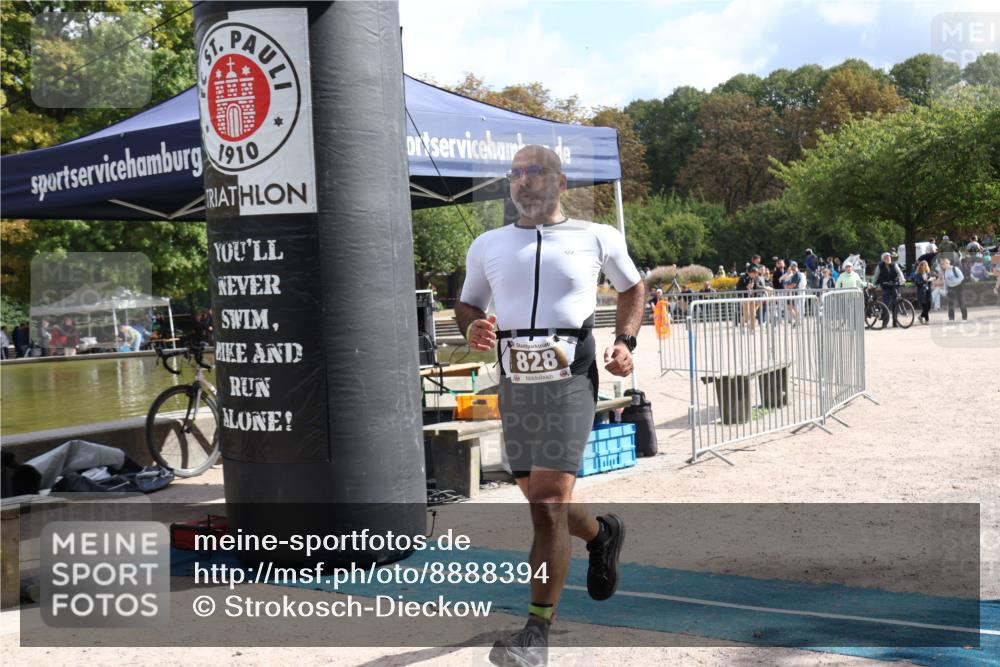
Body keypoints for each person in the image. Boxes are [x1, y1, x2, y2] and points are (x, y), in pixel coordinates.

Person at [457, 145, 642, 667]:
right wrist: (472, 322)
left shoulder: (596, 236)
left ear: (560, 182)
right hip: (515, 381)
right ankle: (602, 534)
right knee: (539, 497)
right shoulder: (488, 243)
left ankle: (536, 632)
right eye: (514, 174)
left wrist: (626, 341)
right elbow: (469, 301)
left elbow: (633, 286)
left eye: (533, 172)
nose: (522, 182)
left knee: (546, 505)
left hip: (570, 377)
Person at [871, 252, 905, 328]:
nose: (888, 258)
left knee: (895, 304)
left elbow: (900, 272)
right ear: (883, 259)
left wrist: (902, 279)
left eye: (889, 257)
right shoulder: (880, 266)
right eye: (886, 257)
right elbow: (876, 276)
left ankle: (895, 323)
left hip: (894, 286)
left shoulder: (894, 264)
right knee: (885, 305)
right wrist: (873, 284)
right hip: (885, 287)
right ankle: (884, 323)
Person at [940, 257, 967, 321]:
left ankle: (964, 317)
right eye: (941, 264)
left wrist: (955, 282)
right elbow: (946, 282)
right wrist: (945, 290)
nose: (942, 266)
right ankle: (951, 318)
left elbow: (961, 277)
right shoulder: (945, 271)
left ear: (947, 263)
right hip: (950, 288)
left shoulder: (955, 269)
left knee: (961, 302)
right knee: (950, 303)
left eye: (943, 264)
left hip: (958, 287)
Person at [913, 260, 934, 325]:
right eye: (923, 265)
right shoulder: (917, 274)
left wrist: (932, 279)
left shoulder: (928, 273)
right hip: (922, 292)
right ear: (920, 266)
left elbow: (930, 281)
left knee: (929, 306)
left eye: (926, 265)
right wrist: (925, 281)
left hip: (928, 291)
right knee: (925, 307)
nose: (925, 266)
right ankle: (927, 320)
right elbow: (917, 283)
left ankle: (921, 316)